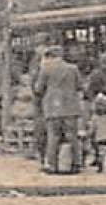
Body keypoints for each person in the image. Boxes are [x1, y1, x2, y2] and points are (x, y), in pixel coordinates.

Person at [33, 43, 82, 174]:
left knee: (53, 136)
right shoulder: (73, 68)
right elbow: (79, 86)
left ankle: (52, 165)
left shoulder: (46, 69)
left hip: (52, 107)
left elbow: (38, 89)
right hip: (71, 106)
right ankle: (76, 164)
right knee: (72, 136)